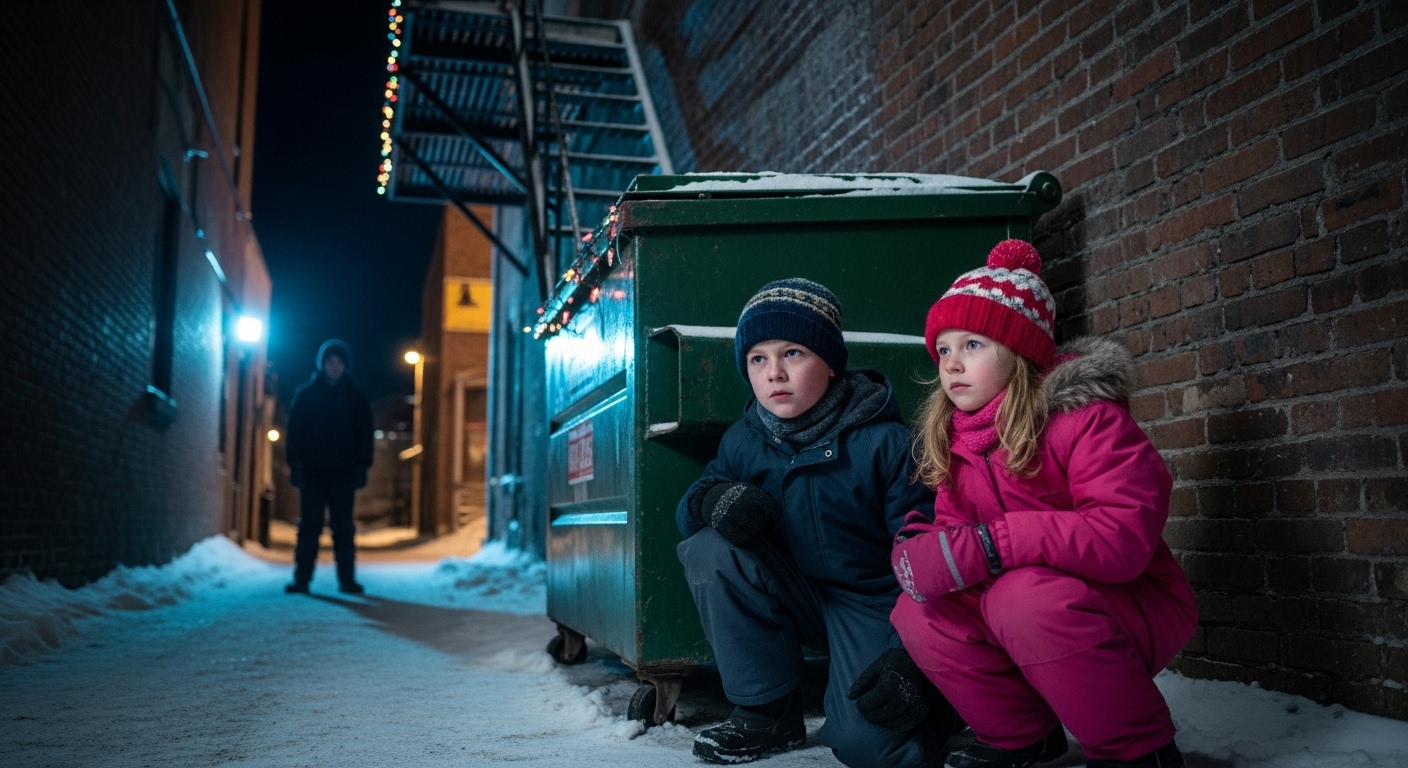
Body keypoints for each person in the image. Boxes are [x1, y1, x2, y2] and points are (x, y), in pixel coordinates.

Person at [889, 240, 1198, 768]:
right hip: (1030, 605)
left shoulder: (1087, 420)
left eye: (972, 345)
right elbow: (956, 531)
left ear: (1019, 350)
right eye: (943, 350)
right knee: (922, 611)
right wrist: (922, 551)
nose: (952, 364)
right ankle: (1020, 735)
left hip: (1133, 602)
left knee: (1020, 597)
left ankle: (1139, 749)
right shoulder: (961, 439)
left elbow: (1121, 538)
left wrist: (996, 544)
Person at [675, 279, 958, 767]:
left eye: (793, 353)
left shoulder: (889, 445)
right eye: (757, 359)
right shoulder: (745, 439)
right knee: (709, 549)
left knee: (873, 749)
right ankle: (767, 713)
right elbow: (694, 507)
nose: (774, 373)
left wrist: (911, 655)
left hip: (874, 604)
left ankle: (944, 705)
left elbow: (928, 560)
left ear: (829, 362)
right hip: (796, 592)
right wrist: (710, 498)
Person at [284, 339, 374, 595]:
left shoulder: (356, 398)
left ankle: (347, 580)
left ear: (345, 366)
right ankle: (302, 579)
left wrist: (362, 467)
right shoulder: (306, 395)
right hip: (312, 473)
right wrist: (295, 464)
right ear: (322, 365)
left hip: (344, 474)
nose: (334, 366)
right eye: (329, 362)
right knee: (309, 526)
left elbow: (365, 434)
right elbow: (294, 431)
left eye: (338, 362)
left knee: (343, 527)